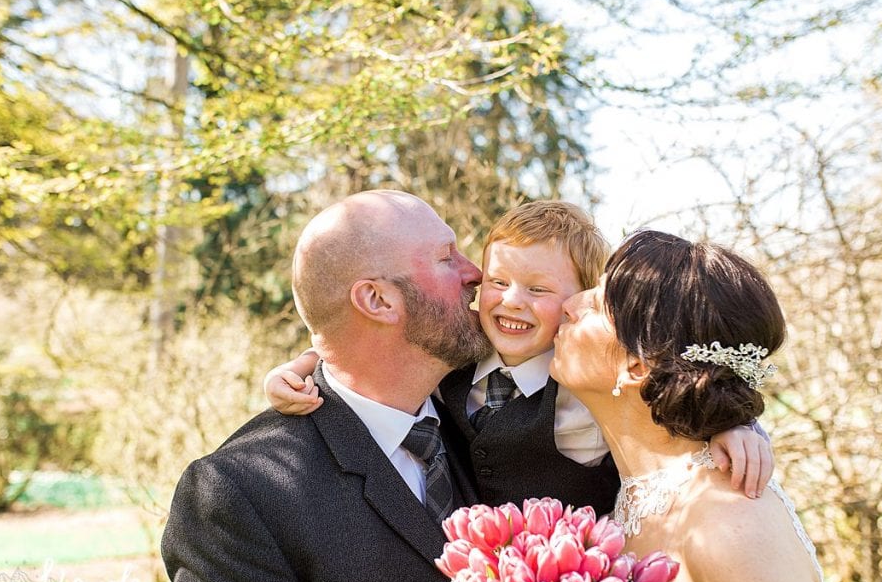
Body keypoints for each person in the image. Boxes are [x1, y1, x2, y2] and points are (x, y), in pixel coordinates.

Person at [267, 201, 772, 515]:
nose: (511, 301)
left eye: (538, 289)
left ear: (578, 299)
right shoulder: (458, 355)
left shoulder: (587, 381)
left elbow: (673, 395)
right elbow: (365, 344)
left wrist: (736, 427)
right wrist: (299, 368)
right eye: (498, 281)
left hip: (585, 580)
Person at [161, 190, 490, 582]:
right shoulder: (243, 495)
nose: (476, 272)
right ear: (377, 300)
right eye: (446, 257)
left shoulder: (482, 411)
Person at [550, 229, 838, 582]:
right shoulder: (629, 495)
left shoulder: (732, 530)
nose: (571, 304)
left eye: (596, 304)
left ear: (637, 367)